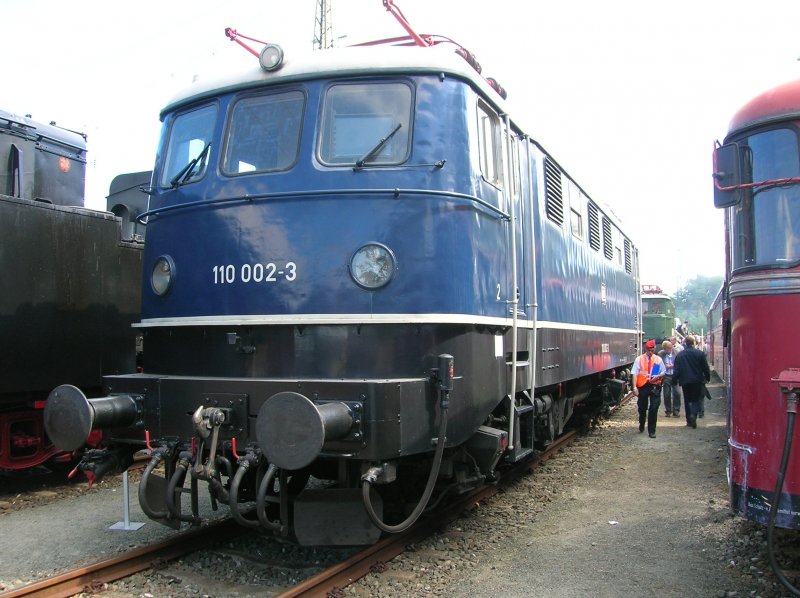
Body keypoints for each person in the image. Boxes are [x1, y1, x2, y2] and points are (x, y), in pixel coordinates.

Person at [673, 335, 711, 429]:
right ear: (694, 343)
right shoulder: (700, 354)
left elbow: (676, 370)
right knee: (696, 399)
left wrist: (674, 380)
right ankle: (694, 414)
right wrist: (707, 378)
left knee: (687, 399)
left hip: (685, 381)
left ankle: (689, 420)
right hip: (697, 380)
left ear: (685, 343)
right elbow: (705, 368)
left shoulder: (680, 355)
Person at [631, 339, 664, 438]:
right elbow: (634, 373)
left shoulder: (658, 359)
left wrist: (658, 376)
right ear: (646, 349)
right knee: (642, 407)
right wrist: (634, 387)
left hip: (655, 386)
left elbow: (663, 371)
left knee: (654, 408)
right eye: (649, 350)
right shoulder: (639, 359)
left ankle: (651, 431)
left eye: (652, 350)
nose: (651, 352)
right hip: (643, 386)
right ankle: (642, 422)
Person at [658, 340, 682, 417]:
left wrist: (671, 366)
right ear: (664, 349)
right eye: (666, 349)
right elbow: (658, 365)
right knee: (666, 394)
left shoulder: (677, 352)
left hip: (675, 376)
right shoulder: (660, 354)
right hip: (666, 376)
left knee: (677, 393)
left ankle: (676, 410)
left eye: (669, 348)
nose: (668, 350)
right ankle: (668, 410)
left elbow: (679, 364)